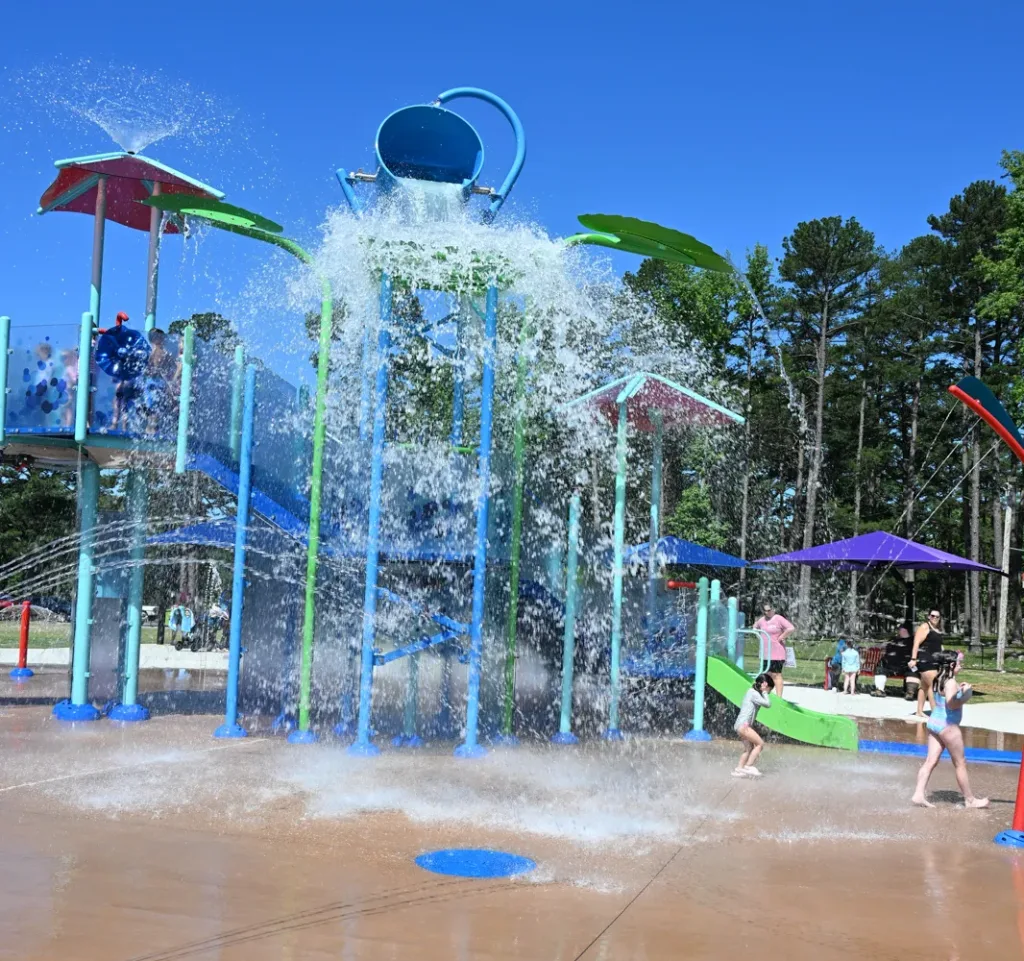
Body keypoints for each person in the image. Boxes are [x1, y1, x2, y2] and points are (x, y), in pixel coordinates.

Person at [911, 651, 989, 809]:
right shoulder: (951, 682)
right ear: (952, 665)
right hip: (948, 725)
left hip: (934, 721)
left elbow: (945, 695)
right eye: (959, 664)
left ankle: (918, 794)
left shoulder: (938, 678)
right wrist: (967, 694)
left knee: (930, 761)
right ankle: (970, 800)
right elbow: (952, 704)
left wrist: (959, 691)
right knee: (960, 763)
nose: (961, 666)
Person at [733, 673, 773, 778]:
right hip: (743, 726)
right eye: (770, 689)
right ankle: (749, 766)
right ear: (765, 685)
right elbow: (768, 704)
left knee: (748, 749)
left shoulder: (752, 693)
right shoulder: (753, 693)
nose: (769, 692)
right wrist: (764, 691)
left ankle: (739, 769)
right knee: (760, 744)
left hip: (741, 725)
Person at [753, 601, 795, 696]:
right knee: (766, 674)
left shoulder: (778, 618)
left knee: (776, 674)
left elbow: (791, 628)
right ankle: (765, 694)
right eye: (765, 610)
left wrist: (782, 637)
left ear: (773, 609)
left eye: (769, 610)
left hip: (777, 653)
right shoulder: (762, 620)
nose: (767, 612)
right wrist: (758, 636)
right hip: (765, 653)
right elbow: (754, 628)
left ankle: (779, 697)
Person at [909, 608, 944, 720]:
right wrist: (913, 659)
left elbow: (938, 646)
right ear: (928, 616)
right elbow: (916, 643)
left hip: (935, 660)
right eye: (932, 616)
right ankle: (936, 713)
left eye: (937, 617)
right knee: (933, 686)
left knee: (924, 686)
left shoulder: (938, 629)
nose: (935, 618)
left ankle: (919, 711)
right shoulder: (925, 627)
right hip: (925, 660)